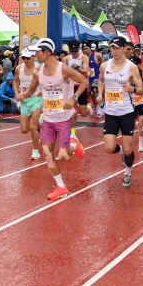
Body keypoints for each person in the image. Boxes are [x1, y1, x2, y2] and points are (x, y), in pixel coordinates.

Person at [21, 38, 89, 200]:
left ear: (47, 52)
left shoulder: (63, 69)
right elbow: (30, 91)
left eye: (37, 52)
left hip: (63, 118)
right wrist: (21, 95)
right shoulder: (38, 72)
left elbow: (84, 81)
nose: (35, 55)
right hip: (48, 119)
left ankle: (74, 144)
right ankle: (61, 186)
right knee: (48, 153)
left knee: (64, 155)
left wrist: (73, 98)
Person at [96, 36, 143, 188]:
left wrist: (133, 89)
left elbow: (141, 89)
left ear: (124, 49)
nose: (115, 51)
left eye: (118, 48)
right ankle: (122, 150)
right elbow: (101, 80)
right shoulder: (105, 65)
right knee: (109, 148)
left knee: (130, 149)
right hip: (110, 112)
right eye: (112, 48)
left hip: (127, 112)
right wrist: (100, 94)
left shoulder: (131, 67)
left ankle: (128, 174)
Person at [14, 46, 43, 160]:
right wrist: (17, 93)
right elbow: (15, 81)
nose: (25, 60)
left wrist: (42, 91)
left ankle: (35, 151)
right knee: (24, 130)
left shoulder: (39, 68)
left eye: (28, 58)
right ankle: (40, 123)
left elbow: (47, 82)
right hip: (24, 100)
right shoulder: (19, 68)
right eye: (23, 58)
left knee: (32, 126)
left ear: (34, 57)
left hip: (36, 99)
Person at [62, 39, 91, 147]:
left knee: (83, 114)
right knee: (72, 111)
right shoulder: (66, 59)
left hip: (81, 86)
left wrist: (77, 68)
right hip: (70, 87)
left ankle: (88, 108)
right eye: (72, 51)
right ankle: (72, 132)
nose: (73, 53)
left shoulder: (83, 58)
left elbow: (86, 71)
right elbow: (63, 72)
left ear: (79, 49)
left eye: (75, 51)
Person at [83, 41, 104, 118]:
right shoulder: (83, 58)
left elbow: (104, 63)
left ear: (90, 48)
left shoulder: (96, 55)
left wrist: (103, 72)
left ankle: (97, 107)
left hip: (97, 76)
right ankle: (98, 105)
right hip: (89, 78)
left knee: (92, 91)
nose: (86, 50)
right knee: (90, 93)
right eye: (84, 49)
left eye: (87, 48)